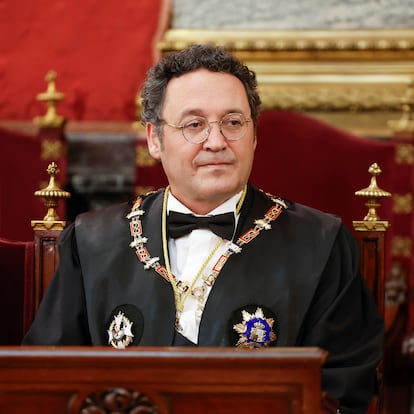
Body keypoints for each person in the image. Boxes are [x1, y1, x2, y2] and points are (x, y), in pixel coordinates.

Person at [23, 43, 383, 414]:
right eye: (194, 124)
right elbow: (46, 381)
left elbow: (344, 390)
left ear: (254, 135)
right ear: (154, 139)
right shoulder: (92, 242)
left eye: (233, 123)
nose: (216, 142)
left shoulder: (320, 244)